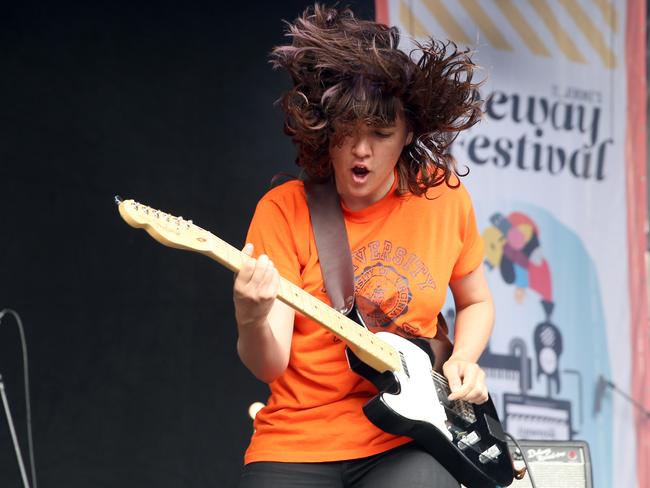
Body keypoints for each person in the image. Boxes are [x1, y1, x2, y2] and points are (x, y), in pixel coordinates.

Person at [233, 4, 494, 487]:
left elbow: (476, 300)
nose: (361, 150)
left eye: (380, 133)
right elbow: (269, 364)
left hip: (408, 441)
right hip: (298, 441)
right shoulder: (285, 209)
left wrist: (463, 360)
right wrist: (251, 315)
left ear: (409, 134)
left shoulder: (443, 193)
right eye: (348, 132)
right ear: (325, 131)